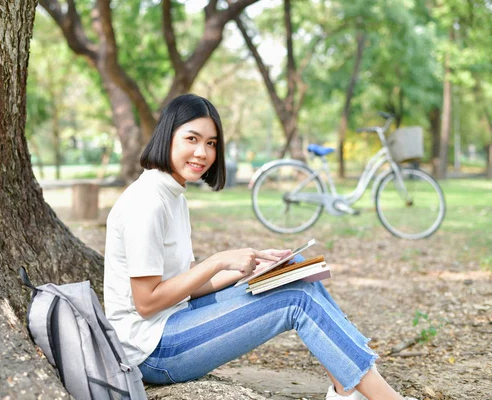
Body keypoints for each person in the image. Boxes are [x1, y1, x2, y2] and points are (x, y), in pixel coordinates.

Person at [103, 94, 414, 400]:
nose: (202, 152)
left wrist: (249, 270)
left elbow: (183, 287)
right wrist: (218, 261)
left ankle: (347, 391)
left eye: (211, 143)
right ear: (168, 136)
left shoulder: (172, 196)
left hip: (174, 320)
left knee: (295, 272)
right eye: (192, 139)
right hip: (153, 351)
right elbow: (146, 302)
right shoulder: (146, 203)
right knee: (296, 301)